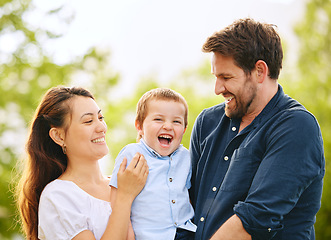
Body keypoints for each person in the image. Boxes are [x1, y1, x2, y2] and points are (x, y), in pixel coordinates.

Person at [189, 18, 325, 240]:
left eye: (226, 77)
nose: (217, 89)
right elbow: (186, 208)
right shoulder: (207, 122)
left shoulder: (297, 126)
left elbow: (256, 219)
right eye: (215, 77)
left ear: (260, 71)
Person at [16, 86, 149, 240]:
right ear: (58, 136)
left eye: (100, 118)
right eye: (88, 121)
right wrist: (125, 197)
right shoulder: (58, 196)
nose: (101, 127)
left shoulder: (126, 182)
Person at [109, 88, 196, 240]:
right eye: (158, 119)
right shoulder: (132, 154)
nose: (168, 126)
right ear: (139, 126)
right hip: (150, 235)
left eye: (176, 121)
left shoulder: (186, 156)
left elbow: (188, 196)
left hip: (187, 232)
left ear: (184, 129)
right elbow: (116, 200)